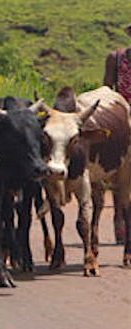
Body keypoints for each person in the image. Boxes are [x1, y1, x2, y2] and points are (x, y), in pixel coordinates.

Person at [102, 22, 131, 244]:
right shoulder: (117, 58)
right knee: (118, 171)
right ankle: (119, 220)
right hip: (122, 119)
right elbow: (106, 89)